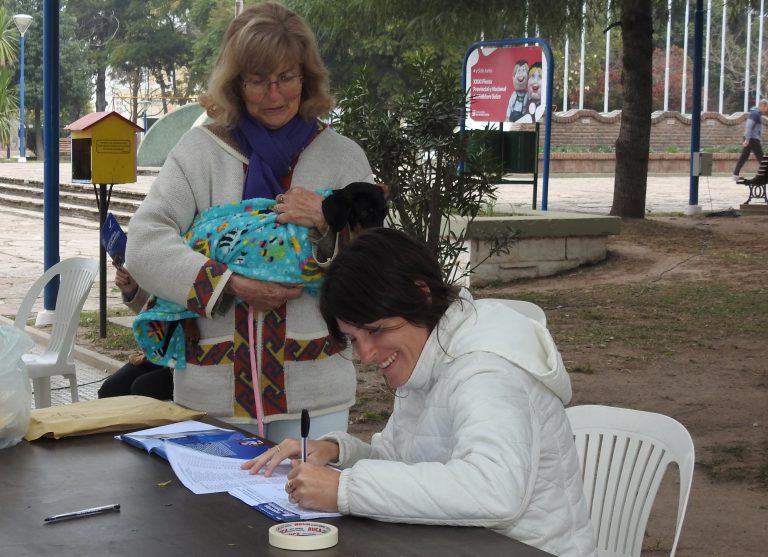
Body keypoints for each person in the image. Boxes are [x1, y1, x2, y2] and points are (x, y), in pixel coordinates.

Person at [242, 228, 597, 557]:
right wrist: (337, 452)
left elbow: (495, 490)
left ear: (420, 295)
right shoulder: (428, 351)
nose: (365, 355)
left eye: (375, 330)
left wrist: (343, 489)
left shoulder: (485, 369)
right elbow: (404, 464)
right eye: (354, 338)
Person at [125, 2, 375, 441]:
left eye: (286, 78)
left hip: (316, 396)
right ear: (236, 84)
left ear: (307, 77)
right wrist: (229, 285)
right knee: (211, 512)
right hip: (211, 397)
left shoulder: (342, 157)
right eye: (258, 81)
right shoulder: (199, 152)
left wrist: (326, 221)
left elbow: (379, 263)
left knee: (308, 509)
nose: (273, 94)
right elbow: (145, 244)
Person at [97, 265, 173, 400]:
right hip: (160, 352)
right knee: (111, 390)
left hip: (189, 359)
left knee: (142, 390)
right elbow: (155, 316)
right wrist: (133, 291)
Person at [733, 99, 768, 180]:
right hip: (752, 138)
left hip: (751, 138)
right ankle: (766, 175)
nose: (767, 109)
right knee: (761, 157)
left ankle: (735, 174)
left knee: (744, 156)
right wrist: (747, 140)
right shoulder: (755, 114)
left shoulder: (756, 113)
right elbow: (749, 127)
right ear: (763, 105)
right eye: (767, 107)